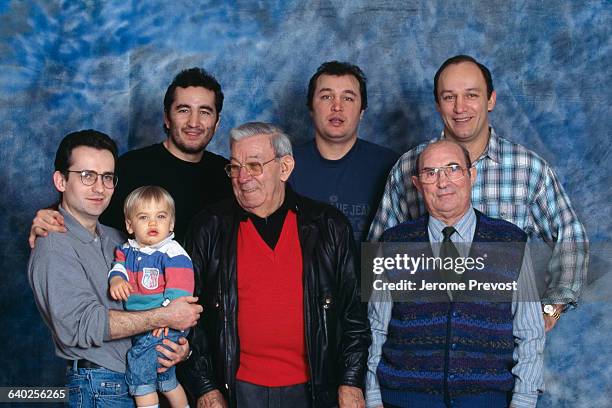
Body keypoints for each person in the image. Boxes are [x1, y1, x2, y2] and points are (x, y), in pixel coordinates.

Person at [368, 54, 588, 331]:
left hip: (504, 342)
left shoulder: (527, 169)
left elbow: (571, 237)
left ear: (491, 100)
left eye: (471, 95)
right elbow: (377, 252)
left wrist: (551, 308)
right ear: (438, 105)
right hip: (425, 342)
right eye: (449, 97)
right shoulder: (408, 168)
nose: (460, 107)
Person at [179, 122, 370, 408]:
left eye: (254, 166)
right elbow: (185, 314)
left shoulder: (329, 226)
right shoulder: (208, 227)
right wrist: (205, 386)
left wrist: (351, 380)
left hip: (315, 389)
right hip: (237, 390)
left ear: (285, 168)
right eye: (234, 167)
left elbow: (354, 315)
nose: (243, 177)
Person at [28, 130, 202, 407]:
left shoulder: (118, 239)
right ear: (61, 180)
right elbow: (82, 325)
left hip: (137, 376)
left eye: (107, 177)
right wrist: (165, 316)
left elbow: (158, 288)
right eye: (87, 175)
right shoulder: (53, 246)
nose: (99, 187)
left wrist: (177, 345)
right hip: (98, 384)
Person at [366, 140, 544, 408]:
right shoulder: (392, 243)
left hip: (486, 401)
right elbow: (375, 328)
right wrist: (373, 396)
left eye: (453, 169)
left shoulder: (510, 242)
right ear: (417, 183)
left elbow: (530, 333)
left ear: (471, 175)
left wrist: (524, 401)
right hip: (404, 400)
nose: (443, 182)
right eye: (430, 173)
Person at [29, 67, 233, 246]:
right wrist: (51, 216)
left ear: (217, 122)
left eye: (205, 112)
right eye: (183, 110)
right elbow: (83, 205)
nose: (194, 122)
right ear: (167, 118)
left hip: (206, 290)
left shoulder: (229, 175)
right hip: (135, 287)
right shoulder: (130, 167)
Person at [290, 61, 399, 243]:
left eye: (348, 98)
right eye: (326, 97)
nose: (337, 106)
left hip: (370, 271)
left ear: (362, 111)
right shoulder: (286, 165)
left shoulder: (391, 166)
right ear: (311, 107)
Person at [108, 186, 194, 408]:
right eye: (144, 217)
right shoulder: (126, 250)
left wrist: (165, 317)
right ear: (129, 225)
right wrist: (116, 279)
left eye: (161, 216)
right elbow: (118, 267)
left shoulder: (172, 253)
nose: (153, 223)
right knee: (165, 378)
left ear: (171, 224)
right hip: (144, 325)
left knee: (139, 366)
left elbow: (180, 292)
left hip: (166, 325)